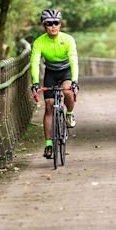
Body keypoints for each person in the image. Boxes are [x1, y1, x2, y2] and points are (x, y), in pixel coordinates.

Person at [31, 9, 79, 159]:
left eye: (56, 23)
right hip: (51, 73)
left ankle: (69, 114)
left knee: (67, 91)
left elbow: (73, 61)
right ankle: (49, 145)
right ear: (44, 26)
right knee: (49, 105)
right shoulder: (39, 42)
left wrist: (75, 80)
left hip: (66, 72)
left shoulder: (68, 39)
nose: (53, 26)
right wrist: (35, 82)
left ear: (60, 24)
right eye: (49, 23)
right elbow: (34, 62)